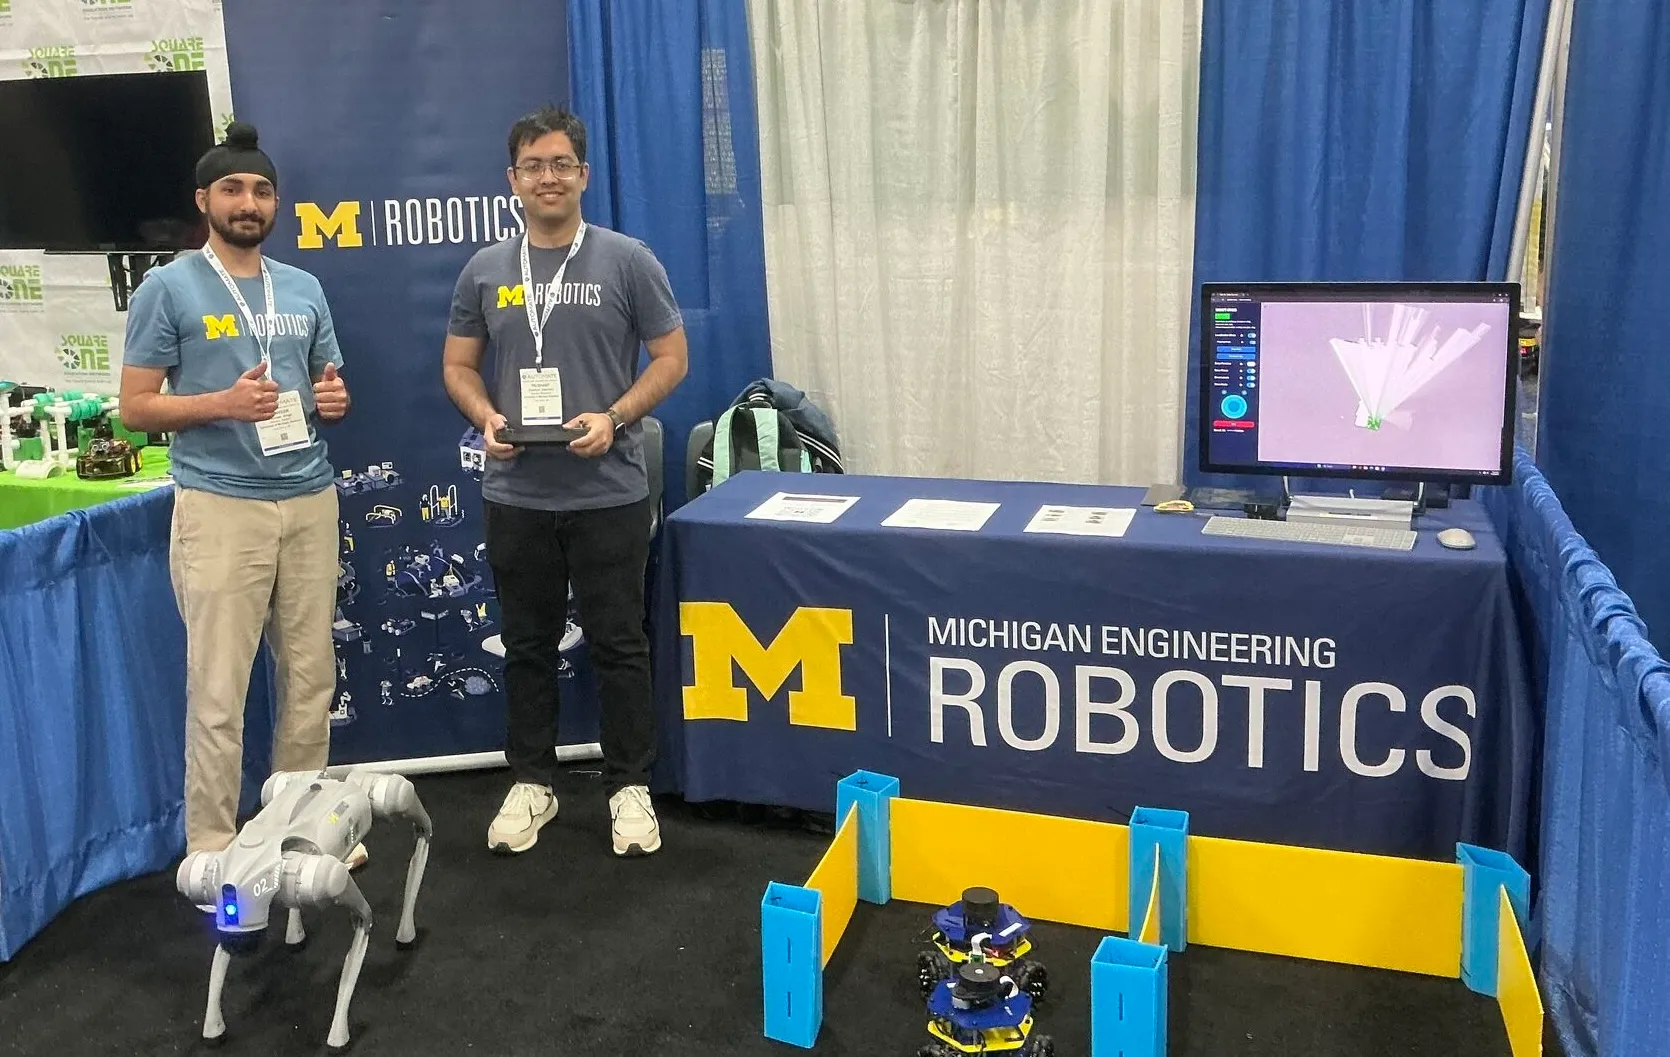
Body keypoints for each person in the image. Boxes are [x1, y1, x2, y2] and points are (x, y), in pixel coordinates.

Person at [442, 106, 687, 858]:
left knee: (620, 643)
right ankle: (532, 781)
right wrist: (484, 415)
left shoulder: (627, 260)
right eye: (532, 166)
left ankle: (629, 786)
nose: (547, 178)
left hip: (608, 491)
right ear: (512, 180)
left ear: (582, 174)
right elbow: (457, 366)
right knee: (526, 644)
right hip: (516, 494)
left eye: (559, 164)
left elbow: (672, 358)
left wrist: (615, 416)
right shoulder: (485, 270)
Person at [118, 122, 358, 865]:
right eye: (231, 189)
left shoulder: (304, 287)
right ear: (204, 200)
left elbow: (326, 385)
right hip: (221, 505)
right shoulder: (168, 287)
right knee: (220, 689)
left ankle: (299, 827)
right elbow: (135, 407)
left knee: (311, 678)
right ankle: (214, 846)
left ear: (276, 202)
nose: (247, 203)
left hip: (309, 498)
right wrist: (222, 403)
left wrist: (333, 398)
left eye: (261, 190)